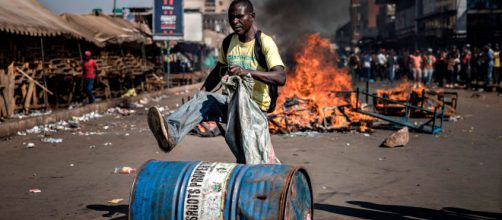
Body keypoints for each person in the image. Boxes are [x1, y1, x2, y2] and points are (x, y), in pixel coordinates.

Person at [147, 0, 285, 164]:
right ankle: (170, 135)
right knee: (203, 100)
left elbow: (280, 77)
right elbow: (217, 72)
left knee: (251, 160)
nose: (235, 22)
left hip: (254, 110)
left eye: (240, 17)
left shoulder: (264, 43)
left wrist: (247, 72)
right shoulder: (228, 43)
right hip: (232, 105)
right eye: (231, 18)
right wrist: (202, 91)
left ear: (252, 16)